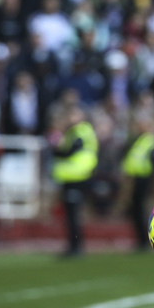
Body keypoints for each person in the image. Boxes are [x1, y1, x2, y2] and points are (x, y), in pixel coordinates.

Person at [50, 104, 99, 257]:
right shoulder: (75, 132)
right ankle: (73, 245)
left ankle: (75, 246)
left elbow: (67, 151)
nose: (70, 118)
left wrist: (57, 148)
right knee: (71, 213)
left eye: (73, 115)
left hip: (77, 176)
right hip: (72, 176)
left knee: (73, 213)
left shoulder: (81, 131)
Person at [120, 113, 154, 251]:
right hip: (135, 178)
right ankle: (141, 239)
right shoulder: (139, 140)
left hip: (145, 178)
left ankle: (145, 239)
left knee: (141, 208)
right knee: (136, 209)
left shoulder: (149, 141)